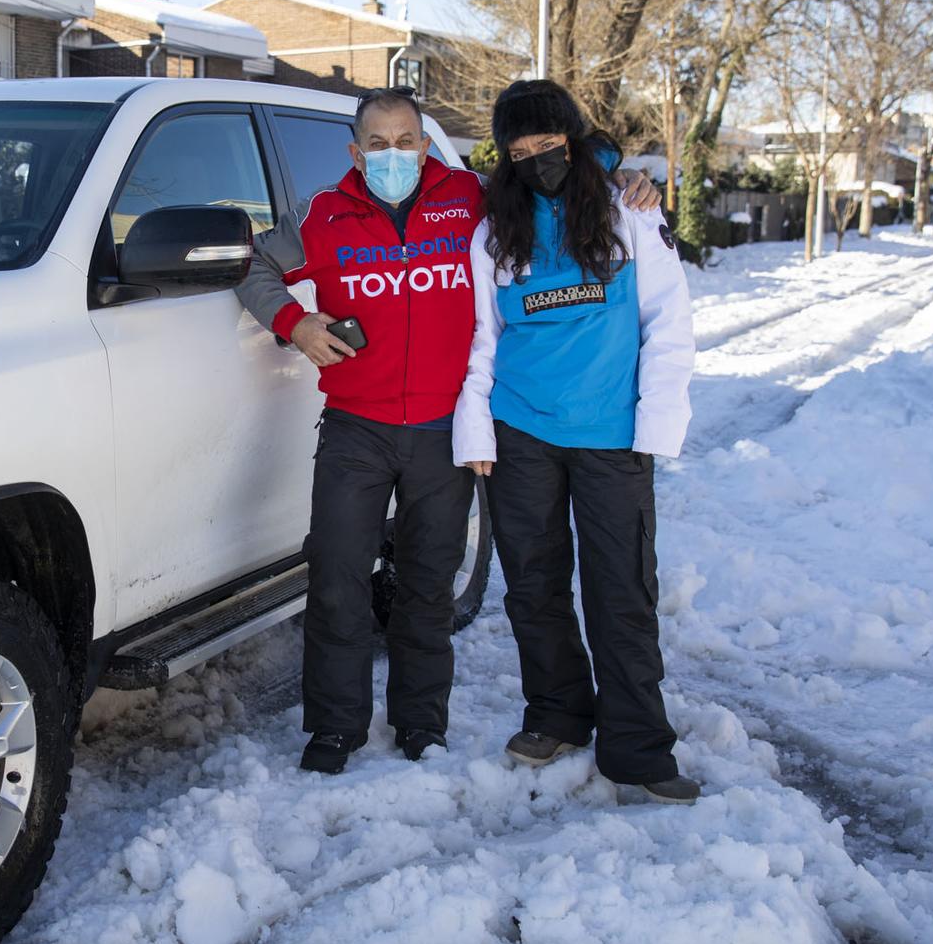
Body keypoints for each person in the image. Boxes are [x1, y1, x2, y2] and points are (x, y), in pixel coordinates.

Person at [235, 87, 659, 775]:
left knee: (427, 584)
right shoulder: (325, 213)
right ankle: (335, 726)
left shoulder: (470, 200)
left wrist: (627, 175)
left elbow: (552, 171)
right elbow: (254, 263)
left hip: (442, 427)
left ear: (426, 145)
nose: (393, 153)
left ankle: (420, 723)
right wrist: (296, 322)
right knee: (339, 576)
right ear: (356, 150)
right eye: (378, 143)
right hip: (356, 426)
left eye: (407, 140)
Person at [450, 78, 699, 803]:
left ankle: (639, 747)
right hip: (521, 429)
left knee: (621, 589)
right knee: (534, 583)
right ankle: (557, 712)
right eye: (518, 150)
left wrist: (654, 425)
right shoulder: (494, 231)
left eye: (547, 144)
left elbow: (668, 322)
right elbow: (481, 339)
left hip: (610, 434)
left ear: (573, 138)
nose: (534, 159)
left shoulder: (627, 212)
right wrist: (477, 427)